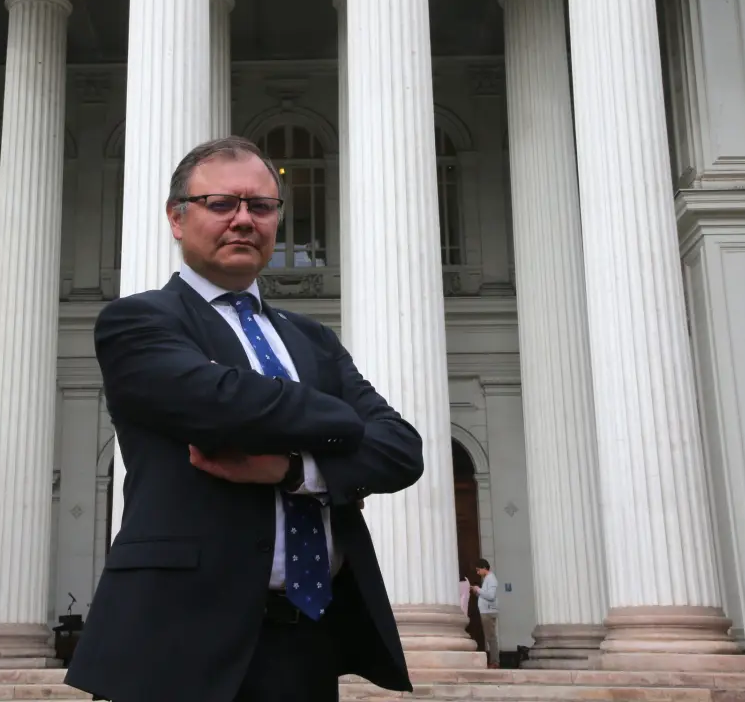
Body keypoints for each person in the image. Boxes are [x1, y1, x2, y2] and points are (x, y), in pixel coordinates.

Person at [64, 137, 425, 702]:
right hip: (179, 638)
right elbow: (222, 404)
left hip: (305, 638)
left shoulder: (311, 338)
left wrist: (290, 469)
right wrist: (340, 419)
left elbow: (402, 451)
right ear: (177, 218)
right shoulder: (137, 322)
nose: (243, 220)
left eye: (260, 206)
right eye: (221, 203)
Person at [471, 558, 499, 668]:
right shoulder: (487, 579)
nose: (478, 573)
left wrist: (478, 589)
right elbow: (486, 595)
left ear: (484, 568)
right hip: (486, 611)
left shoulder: (491, 579)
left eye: (478, 570)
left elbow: (491, 596)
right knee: (489, 637)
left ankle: (495, 661)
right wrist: (477, 592)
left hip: (488, 611)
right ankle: (494, 660)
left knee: (491, 637)